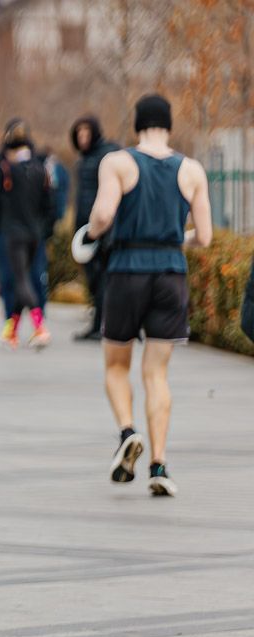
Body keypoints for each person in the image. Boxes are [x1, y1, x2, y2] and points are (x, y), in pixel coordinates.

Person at [87, 94, 211, 497]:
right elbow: (205, 238)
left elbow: (104, 216)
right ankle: (159, 464)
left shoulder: (118, 163)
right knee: (157, 373)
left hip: (126, 271)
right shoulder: (191, 169)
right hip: (170, 273)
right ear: (169, 125)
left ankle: (127, 431)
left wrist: (88, 234)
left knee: (116, 364)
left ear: (137, 124)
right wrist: (176, 239)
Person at [0, 119, 57, 348]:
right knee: (26, 279)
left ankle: (39, 326)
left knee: (20, 280)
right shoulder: (40, 168)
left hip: (12, 233)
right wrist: (47, 228)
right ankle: (10, 331)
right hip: (34, 233)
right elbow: (50, 203)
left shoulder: (4, 168)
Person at [70, 115, 120, 340]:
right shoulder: (83, 160)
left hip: (104, 228)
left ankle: (104, 325)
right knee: (94, 280)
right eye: (79, 133)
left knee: (103, 279)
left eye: (86, 133)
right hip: (86, 229)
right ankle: (99, 324)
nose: (82, 137)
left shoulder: (108, 155)